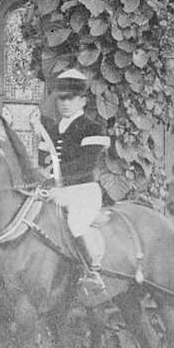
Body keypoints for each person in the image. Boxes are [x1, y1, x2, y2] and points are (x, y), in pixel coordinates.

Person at [31, 68, 111, 294]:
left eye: (71, 98)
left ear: (83, 100)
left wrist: (56, 178)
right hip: (56, 191)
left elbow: (85, 165)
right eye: (61, 98)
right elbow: (43, 161)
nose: (65, 103)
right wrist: (44, 175)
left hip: (83, 191)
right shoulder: (51, 131)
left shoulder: (92, 128)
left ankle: (91, 271)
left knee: (76, 223)